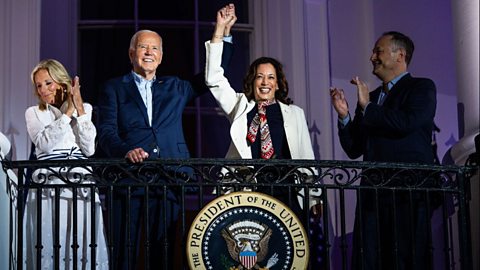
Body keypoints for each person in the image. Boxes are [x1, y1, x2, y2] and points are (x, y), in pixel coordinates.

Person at [96, 8, 235, 269]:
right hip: (129, 181)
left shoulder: (176, 87)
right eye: (143, 47)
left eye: (155, 48)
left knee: (163, 254)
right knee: (123, 255)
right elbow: (106, 132)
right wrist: (127, 151)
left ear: (161, 56)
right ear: (131, 53)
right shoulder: (113, 88)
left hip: (171, 180)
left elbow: (214, 73)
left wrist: (221, 32)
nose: (149, 52)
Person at [330, 31, 437, 270]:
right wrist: (344, 115)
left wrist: (367, 106)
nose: (371, 57)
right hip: (373, 197)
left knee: (406, 259)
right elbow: (354, 148)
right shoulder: (373, 96)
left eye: (378, 51)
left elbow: (407, 122)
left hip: (408, 192)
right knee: (369, 260)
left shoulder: (421, 87)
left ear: (400, 55)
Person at [205, 3, 321, 221]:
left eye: (270, 77)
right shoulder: (241, 106)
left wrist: (315, 198)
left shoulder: (294, 113)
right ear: (253, 81)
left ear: (278, 84)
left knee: (287, 251)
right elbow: (213, 79)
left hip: (287, 192)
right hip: (249, 192)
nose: (265, 82)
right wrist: (219, 30)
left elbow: (306, 157)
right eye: (260, 76)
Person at [23, 59, 108, 269]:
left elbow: (89, 149)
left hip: (80, 183)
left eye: (48, 83)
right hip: (48, 184)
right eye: (39, 85)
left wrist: (78, 109)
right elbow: (44, 145)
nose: (43, 90)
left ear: (62, 82)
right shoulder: (34, 113)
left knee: (81, 240)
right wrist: (67, 114)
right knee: (50, 240)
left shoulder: (85, 108)